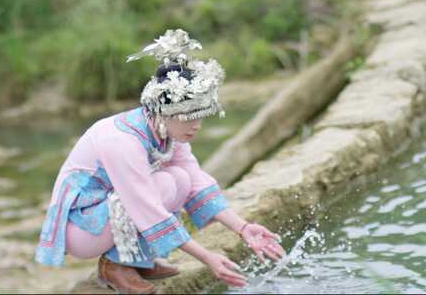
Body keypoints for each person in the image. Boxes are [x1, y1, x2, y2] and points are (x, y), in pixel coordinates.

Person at [35, 29, 286, 294]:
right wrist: (207, 257)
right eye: (189, 117)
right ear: (163, 111)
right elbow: (146, 208)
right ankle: (115, 266)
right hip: (84, 227)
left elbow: (197, 182)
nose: (197, 126)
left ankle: (138, 260)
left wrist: (243, 228)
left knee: (182, 178)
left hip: (110, 213)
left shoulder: (165, 132)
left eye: (201, 116)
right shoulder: (122, 140)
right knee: (166, 183)